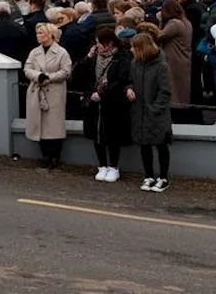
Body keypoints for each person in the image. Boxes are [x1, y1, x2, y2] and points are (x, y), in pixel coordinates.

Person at [73, 27, 131, 183]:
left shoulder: (122, 57)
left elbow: (121, 79)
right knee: (96, 134)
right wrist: (88, 57)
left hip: (113, 102)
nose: (97, 46)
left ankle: (113, 166)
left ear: (109, 44)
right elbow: (78, 73)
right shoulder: (94, 57)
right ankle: (102, 165)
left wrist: (103, 93)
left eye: (99, 43)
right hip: (93, 100)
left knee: (112, 134)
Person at [128, 32, 173, 193]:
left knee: (161, 145)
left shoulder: (161, 66)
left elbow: (165, 91)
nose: (132, 50)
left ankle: (163, 177)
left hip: (156, 113)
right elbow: (130, 81)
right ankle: (148, 176)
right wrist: (130, 89)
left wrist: (154, 109)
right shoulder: (135, 63)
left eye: (134, 47)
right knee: (144, 145)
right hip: (139, 110)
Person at [23, 22, 72, 169]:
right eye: (37, 33)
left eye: (41, 33)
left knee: (54, 126)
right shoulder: (34, 52)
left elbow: (66, 71)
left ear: (51, 35)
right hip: (37, 91)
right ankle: (45, 155)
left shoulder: (62, 52)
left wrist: (49, 77)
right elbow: (27, 68)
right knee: (39, 125)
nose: (38, 36)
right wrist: (39, 76)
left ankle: (55, 156)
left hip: (54, 92)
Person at [155, 0, 194, 124]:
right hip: (184, 60)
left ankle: (176, 121)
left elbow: (159, 36)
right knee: (182, 93)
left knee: (174, 94)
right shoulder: (186, 22)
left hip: (173, 61)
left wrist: (160, 21)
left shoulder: (174, 23)